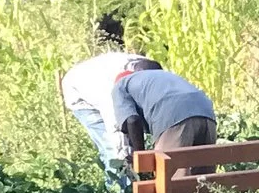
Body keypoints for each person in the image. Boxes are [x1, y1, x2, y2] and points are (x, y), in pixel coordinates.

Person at [59, 14, 216, 170]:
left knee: (169, 180)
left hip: (176, 117)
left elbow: (132, 121)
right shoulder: (121, 84)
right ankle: (122, 188)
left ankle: (127, 189)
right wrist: (132, 157)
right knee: (114, 152)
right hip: (80, 95)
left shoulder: (131, 80)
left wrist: (141, 159)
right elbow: (116, 126)